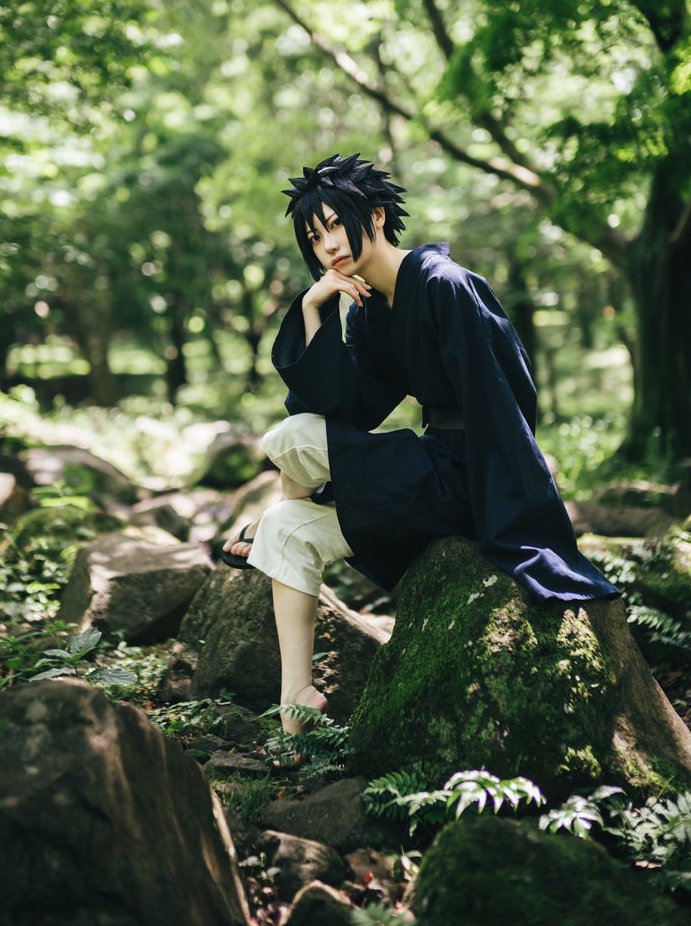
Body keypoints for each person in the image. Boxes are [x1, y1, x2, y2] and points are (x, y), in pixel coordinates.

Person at [222, 153, 619, 733]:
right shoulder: (367, 310)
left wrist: (511, 506)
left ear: (376, 215)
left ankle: (284, 505)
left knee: (288, 437)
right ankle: (294, 709)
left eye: (334, 224)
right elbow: (345, 409)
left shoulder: (444, 284)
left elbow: (504, 400)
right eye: (313, 238)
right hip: (432, 474)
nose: (327, 245)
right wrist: (313, 308)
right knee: (286, 531)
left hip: (472, 476)